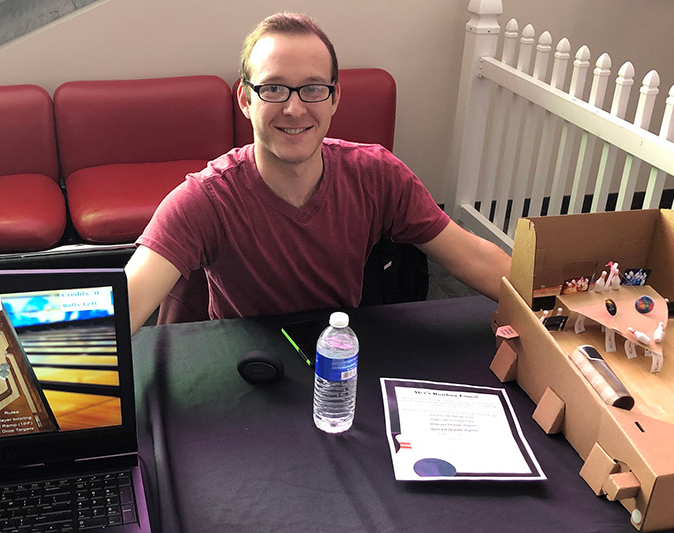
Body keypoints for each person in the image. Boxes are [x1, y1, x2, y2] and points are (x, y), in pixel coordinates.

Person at [125, 12, 510, 334]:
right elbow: (127, 299)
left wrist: (553, 301)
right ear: (245, 99)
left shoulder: (376, 175)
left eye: (312, 89)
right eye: (274, 88)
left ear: (335, 97)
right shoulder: (206, 198)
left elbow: (472, 255)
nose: (294, 109)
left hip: (337, 357)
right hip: (244, 368)